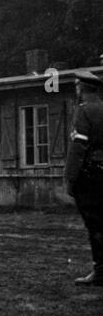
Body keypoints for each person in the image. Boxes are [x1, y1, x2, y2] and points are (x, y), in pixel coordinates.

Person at [65, 70, 103, 285]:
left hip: (91, 175)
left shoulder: (84, 111)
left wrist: (70, 177)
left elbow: (78, 148)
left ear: (81, 88)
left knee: (95, 225)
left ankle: (100, 270)